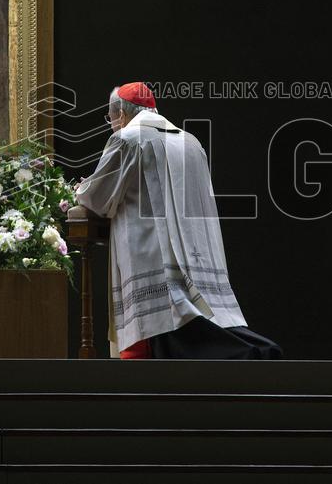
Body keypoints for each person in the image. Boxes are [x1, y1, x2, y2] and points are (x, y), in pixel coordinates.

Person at [75, 82, 281, 360]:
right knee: (202, 324)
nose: (112, 125)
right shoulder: (190, 141)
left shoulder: (127, 138)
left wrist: (80, 190)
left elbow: (97, 197)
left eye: (110, 119)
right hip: (197, 255)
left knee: (172, 335)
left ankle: (257, 355)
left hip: (153, 256)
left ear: (121, 115)